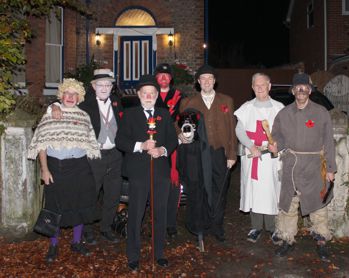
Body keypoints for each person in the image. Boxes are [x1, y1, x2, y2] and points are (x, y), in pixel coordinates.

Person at [28, 78, 101, 262]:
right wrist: (44, 170)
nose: (70, 97)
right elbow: (41, 145)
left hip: (79, 167)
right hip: (55, 167)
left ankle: (76, 242)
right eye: (66, 93)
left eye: (74, 94)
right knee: (54, 207)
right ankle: (53, 245)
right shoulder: (51, 113)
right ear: (61, 95)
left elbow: (91, 143)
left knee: (79, 205)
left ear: (79, 97)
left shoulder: (84, 117)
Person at [269, 73, 336, 261]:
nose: (301, 89)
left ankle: (322, 240)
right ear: (292, 90)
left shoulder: (321, 113)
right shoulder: (284, 114)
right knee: (288, 206)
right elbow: (278, 137)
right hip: (292, 165)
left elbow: (328, 142)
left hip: (314, 165)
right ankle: (287, 239)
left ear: (310, 90)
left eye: (305, 87)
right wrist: (276, 145)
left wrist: (330, 168)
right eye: (298, 87)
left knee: (318, 205)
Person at [51, 69, 123, 244]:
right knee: (91, 193)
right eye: (100, 84)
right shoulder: (85, 104)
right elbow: (65, 103)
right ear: (93, 86)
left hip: (115, 154)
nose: (104, 88)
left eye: (108, 84)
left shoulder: (117, 102)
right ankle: (88, 230)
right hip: (94, 155)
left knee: (113, 195)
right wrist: (53, 105)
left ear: (112, 87)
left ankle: (106, 228)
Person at [116, 74, 177, 271]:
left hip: (160, 171)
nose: (148, 96)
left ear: (157, 95)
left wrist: (162, 150)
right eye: (145, 93)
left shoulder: (164, 114)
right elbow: (120, 141)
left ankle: (158, 253)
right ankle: (133, 255)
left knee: (160, 212)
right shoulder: (130, 114)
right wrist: (140, 145)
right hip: (138, 171)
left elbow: (172, 140)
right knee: (136, 213)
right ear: (139, 94)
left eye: (152, 93)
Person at [179, 64, 237, 242]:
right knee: (200, 190)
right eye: (203, 79)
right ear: (198, 82)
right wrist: (181, 136)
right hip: (197, 154)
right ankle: (200, 225)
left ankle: (217, 226)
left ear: (215, 81)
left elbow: (232, 129)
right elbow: (180, 127)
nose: (206, 82)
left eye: (210, 78)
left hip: (219, 153)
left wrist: (232, 154)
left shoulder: (226, 101)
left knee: (220, 190)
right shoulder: (188, 102)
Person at [234, 73, 284, 244]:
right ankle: (255, 227)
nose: (260, 88)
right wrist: (251, 146)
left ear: (269, 86)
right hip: (253, 155)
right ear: (252, 87)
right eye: (256, 85)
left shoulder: (279, 108)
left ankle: (272, 228)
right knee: (254, 190)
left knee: (271, 190)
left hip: (271, 157)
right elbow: (239, 130)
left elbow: (285, 132)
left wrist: (278, 145)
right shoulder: (247, 108)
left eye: (263, 85)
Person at [154, 63, 183, 238]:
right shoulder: (149, 95)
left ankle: (171, 222)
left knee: (173, 184)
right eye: (160, 75)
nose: (164, 78)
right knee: (156, 185)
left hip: (172, 147)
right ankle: (158, 221)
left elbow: (180, 120)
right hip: (153, 146)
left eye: (167, 75)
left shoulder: (179, 96)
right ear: (156, 78)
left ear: (171, 78)